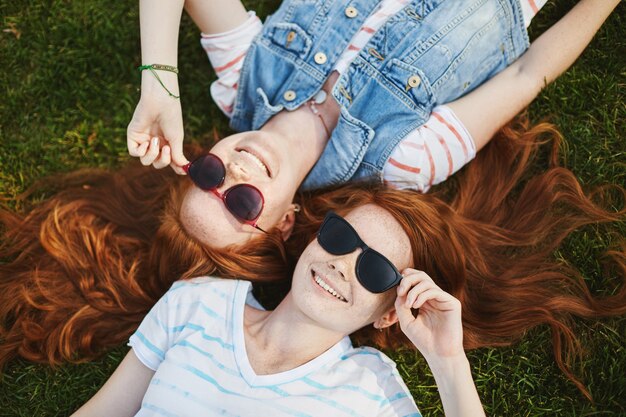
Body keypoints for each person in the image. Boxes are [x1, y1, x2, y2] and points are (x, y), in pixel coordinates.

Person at [127, 0, 620, 249]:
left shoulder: (246, 79)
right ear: (284, 223)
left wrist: (159, 82)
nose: (234, 173)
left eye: (209, 176)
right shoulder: (400, 162)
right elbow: (526, 74)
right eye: (241, 202)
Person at [71, 203, 484, 417]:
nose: (341, 264)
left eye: (373, 268)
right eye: (340, 236)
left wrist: (447, 360)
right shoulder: (198, 302)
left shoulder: (370, 386)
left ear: (389, 313)